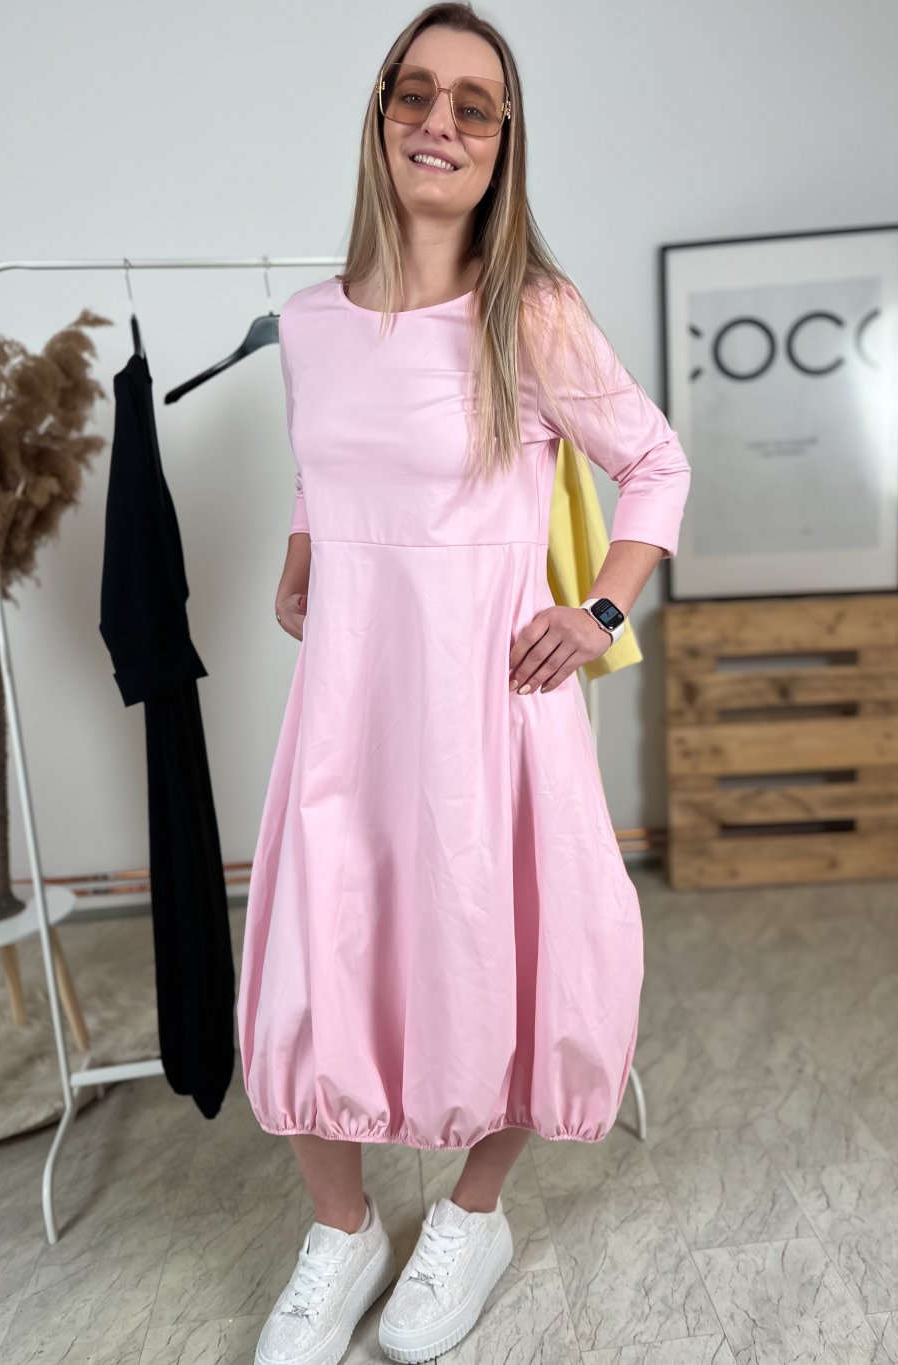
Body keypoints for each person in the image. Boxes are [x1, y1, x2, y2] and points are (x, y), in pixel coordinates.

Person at [237, 5, 692, 1362]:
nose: (440, 121)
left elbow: (656, 464)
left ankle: (472, 1214)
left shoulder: (531, 316)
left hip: (488, 705)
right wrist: (307, 535)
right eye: (416, 93)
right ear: (381, 115)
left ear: (502, 142)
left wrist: (598, 607)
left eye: (474, 105)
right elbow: (328, 458)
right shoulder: (309, 324)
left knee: (507, 951)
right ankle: (341, 1230)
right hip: (350, 704)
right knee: (317, 955)